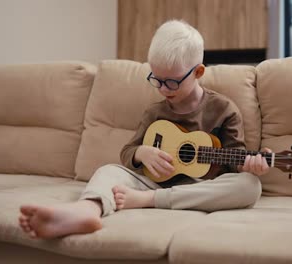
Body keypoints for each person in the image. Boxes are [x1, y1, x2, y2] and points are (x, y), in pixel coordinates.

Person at [18, 20, 270, 239]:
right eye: (156, 80)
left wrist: (250, 164)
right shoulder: (155, 113)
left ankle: (150, 203)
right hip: (153, 182)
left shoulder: (224, 110)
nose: (162, 89)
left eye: (171, 81)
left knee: (249, 185)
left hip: (199, 188)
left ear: (198, 72)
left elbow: (236, 156)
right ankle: (84, 211)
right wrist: (141, 154)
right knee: (108, 171)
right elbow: (128, 151)